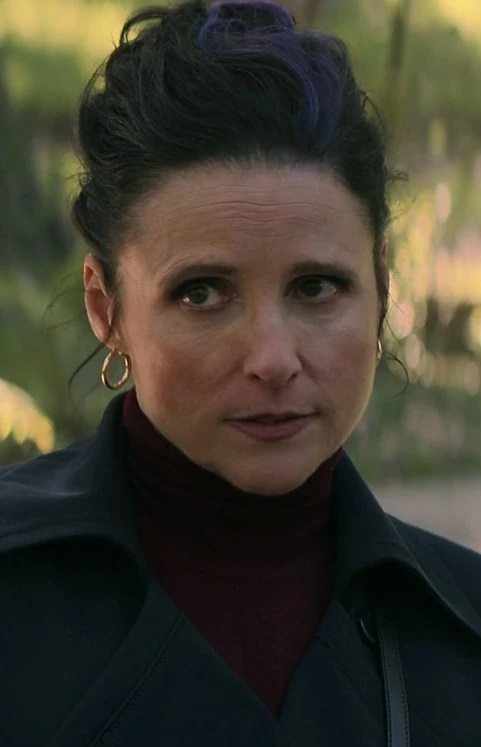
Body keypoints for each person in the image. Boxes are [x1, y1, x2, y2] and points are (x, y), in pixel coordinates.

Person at [1, 1, 480, 745]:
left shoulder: (460, 628)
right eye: (202, 293)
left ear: (381, 288)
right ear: (106, 308)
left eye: (316, 287)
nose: (273, 359)